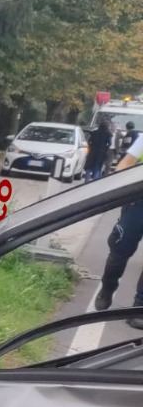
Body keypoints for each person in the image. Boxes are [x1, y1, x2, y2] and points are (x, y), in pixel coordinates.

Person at [94, 130, 143, 327]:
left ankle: (139, 306)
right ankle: (108, 286)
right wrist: (122, 189)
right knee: (120, 247)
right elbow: (125, 164)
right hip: (139, 199)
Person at [83, 118, 112, 182]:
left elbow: (89, 141)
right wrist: (105, 148)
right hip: (101, 152)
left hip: (93, 151)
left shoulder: (94, 132)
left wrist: (91, 147)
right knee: (98, 165)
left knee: (89, 165)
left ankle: (86, 180)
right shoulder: (108, 134)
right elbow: (109, 143)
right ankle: (95, 180)